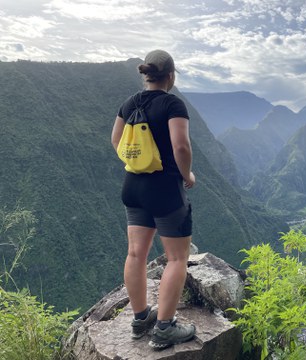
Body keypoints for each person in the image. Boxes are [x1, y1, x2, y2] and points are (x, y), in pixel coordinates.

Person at [111, 49, 196, 350]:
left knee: (136, 254)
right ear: (170, 76)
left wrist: (137, 163)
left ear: (147, 75)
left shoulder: (129, 103)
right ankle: (164, 327)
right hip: (165, 191)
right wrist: (187, 175)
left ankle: (140, 318)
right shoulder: (173, 104)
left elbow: (116, 141)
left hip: (133, 188)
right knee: (176, 258)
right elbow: (181, 146)